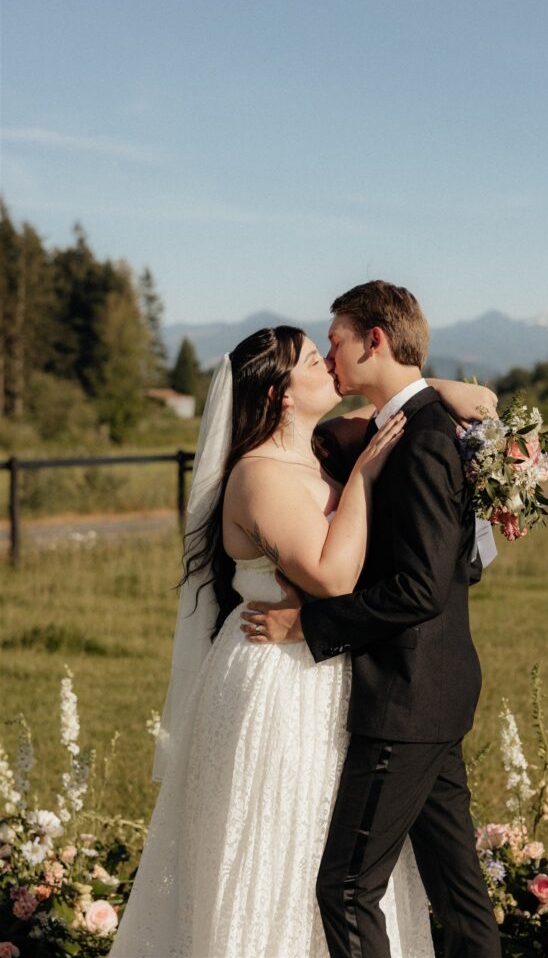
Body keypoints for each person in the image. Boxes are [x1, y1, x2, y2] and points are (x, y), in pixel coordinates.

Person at [110, 319, 496, 958]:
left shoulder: (322, 446)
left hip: (328, 669)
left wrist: (410, 383)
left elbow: (480, 406)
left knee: (330, 844)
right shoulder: (259, 475)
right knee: (282, 845)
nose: (330, 367)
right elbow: (332, 574)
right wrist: (367, 478)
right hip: (275, 680)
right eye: (315, 361)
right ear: (282, 395)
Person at [242, 282, 502, 958]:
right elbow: (455, 566)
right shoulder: (410, 426)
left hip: (406, 696)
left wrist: (307, 626)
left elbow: (420, 588)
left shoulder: (418, 440)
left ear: (374, 340)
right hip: (435, 689)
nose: (329, 358)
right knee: (458, 895)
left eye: (335, 343)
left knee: (348, 889)